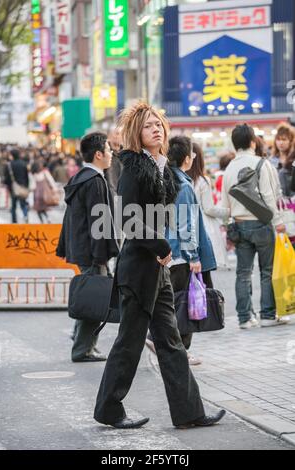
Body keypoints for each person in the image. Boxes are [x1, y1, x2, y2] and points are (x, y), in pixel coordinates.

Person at [94, 102, 225, 429]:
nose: (156, 129)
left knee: (171, 342)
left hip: (158, 271)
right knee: (130, 343)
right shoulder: (133, 168)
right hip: (138, 271)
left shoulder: (160, 167)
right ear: (136, 133)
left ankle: (189, 411)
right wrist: (162, 245)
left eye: (159, 124)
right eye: (148, 125)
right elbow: (126, 219)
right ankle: (109, 408)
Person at [56, 132, 120, 362]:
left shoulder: (82, 178)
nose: (112, 154)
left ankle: (82, 342)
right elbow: (98, 222)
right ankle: (82, 349)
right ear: (98, 154)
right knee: (95, 299)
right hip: (92, 252)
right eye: (109, 150)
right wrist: (101, 255)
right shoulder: (94, 181)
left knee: (92, 296)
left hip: (83, 248)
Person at [221, 124, 289, 329]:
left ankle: (244, 318)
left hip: (239, 226)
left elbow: (226, 204)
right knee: (266, 271)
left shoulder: (229, 168)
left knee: (243, 272)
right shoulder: (262, 164)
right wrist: (278, 222)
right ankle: (268, 315)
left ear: (235, 144)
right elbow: (269, 196)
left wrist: (227, 227)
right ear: (253, 142)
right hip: (262, 224)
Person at [166, 136, 217, 364]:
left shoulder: (166, 180)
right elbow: (186, 224)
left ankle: (170, 346)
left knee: (176, 302)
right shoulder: (184, 186)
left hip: (169, 251)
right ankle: (178, 350)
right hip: (180, 255)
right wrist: (193, 256)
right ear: (187, 159)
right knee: (184, 303)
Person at [187, 142, 230, 269]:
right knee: (205, 272)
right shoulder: (201, 181)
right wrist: (229, 212)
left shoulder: (177, 179)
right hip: (202, 227)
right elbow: (209, 209)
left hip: (184, 227)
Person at [4, 148, 29, 223]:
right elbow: (26, 176)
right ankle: (25, 216)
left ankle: (14, 221)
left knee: (13, 206)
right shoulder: (23, 163)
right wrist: (26, 186)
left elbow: (7, 178)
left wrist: (8, 187)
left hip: (13, 188)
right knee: (23, 204)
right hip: (22, 186)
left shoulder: (9, 164)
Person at [105, 126, 123, 196]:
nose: (118, 136)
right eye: (117, 133)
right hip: (112, 196)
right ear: (109, 136)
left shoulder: (126, 154)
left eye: (121, 134)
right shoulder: (105, 153)